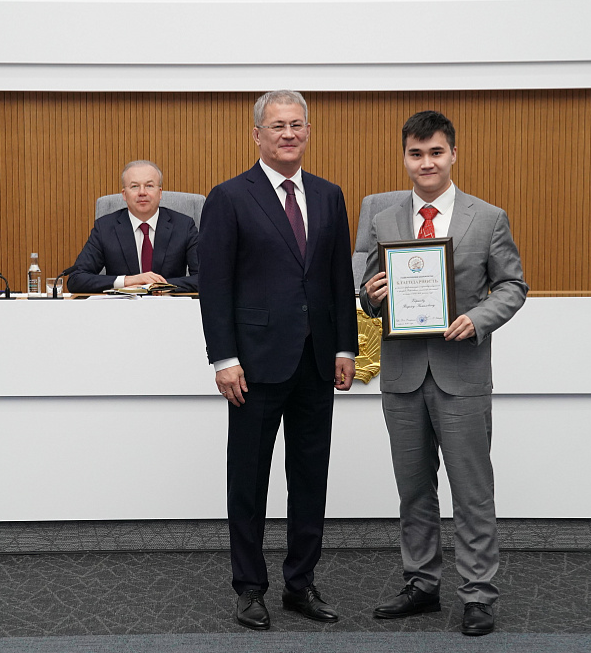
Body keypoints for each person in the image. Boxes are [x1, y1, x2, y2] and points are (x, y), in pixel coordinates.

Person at [360, 110, 527, 636]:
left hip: (462, 374)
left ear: (453, 153)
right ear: (404, 158)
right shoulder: (383, 218)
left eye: (436, 152)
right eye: (416, 153)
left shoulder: (488, 217)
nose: (426, 163)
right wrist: (371, 295)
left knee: (472, 491)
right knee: (413, 489)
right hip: (403, 375)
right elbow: (367, 291)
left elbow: (513, 286)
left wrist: (478, 319)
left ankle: (478, 594)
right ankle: (421, 584)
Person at [198, 90, 359, 630]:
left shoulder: (329, 195)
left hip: (316, 362)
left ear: (308, 131)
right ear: (257, 135)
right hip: (254, 365)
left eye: (296, 125)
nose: (288, 134)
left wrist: (345, 347)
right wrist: (223, 358)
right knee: (248, 482)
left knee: (310, 478)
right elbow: (215, 286)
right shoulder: (229, 197)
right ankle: (249, 588)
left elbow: (338, 277)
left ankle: (300, 583)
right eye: (277, 126)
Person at [67, 160, 199, 293]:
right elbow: (76, 279)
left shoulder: (184, 226)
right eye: (135, 186)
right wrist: (127, 281)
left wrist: (160, 286)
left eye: (149, 186)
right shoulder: (105, 228)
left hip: (170, 304)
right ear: (124, 194)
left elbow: (203, 277)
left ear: (160, 193)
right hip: (122, 305)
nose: (142, 192)